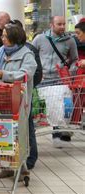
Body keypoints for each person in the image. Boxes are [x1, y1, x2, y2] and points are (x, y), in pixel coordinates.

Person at [0, 23, 37, 179]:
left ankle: (21, 168)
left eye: (5, 36)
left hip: (18, 102)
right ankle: (7, 167)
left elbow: (26, 73)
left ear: (14, 38)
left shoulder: (27, 54)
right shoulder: (0, 52)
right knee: (2, 133)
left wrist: (6, 75)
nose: (2, 38)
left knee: (18, 134)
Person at [32, 16, 78, 148]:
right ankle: (55, 133)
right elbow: (31, 54)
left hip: (61, 79)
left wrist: (72, 70)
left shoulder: (70, 41)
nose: (62, 27)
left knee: (63, 106)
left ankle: (61, 131)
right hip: (43, 79)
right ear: (51, 25)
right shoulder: (40, 39)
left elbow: (74, 59)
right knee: (49, 106)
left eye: (64, 24)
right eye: (59, 24)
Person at [9, 19, 42, 171]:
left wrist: (28, 88)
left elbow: (35, 73)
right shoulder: (4, 51)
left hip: (23, 97)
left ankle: (30, 159)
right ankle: (13, 161)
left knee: (27, 128)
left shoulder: (29, 51)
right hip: (9, 98)